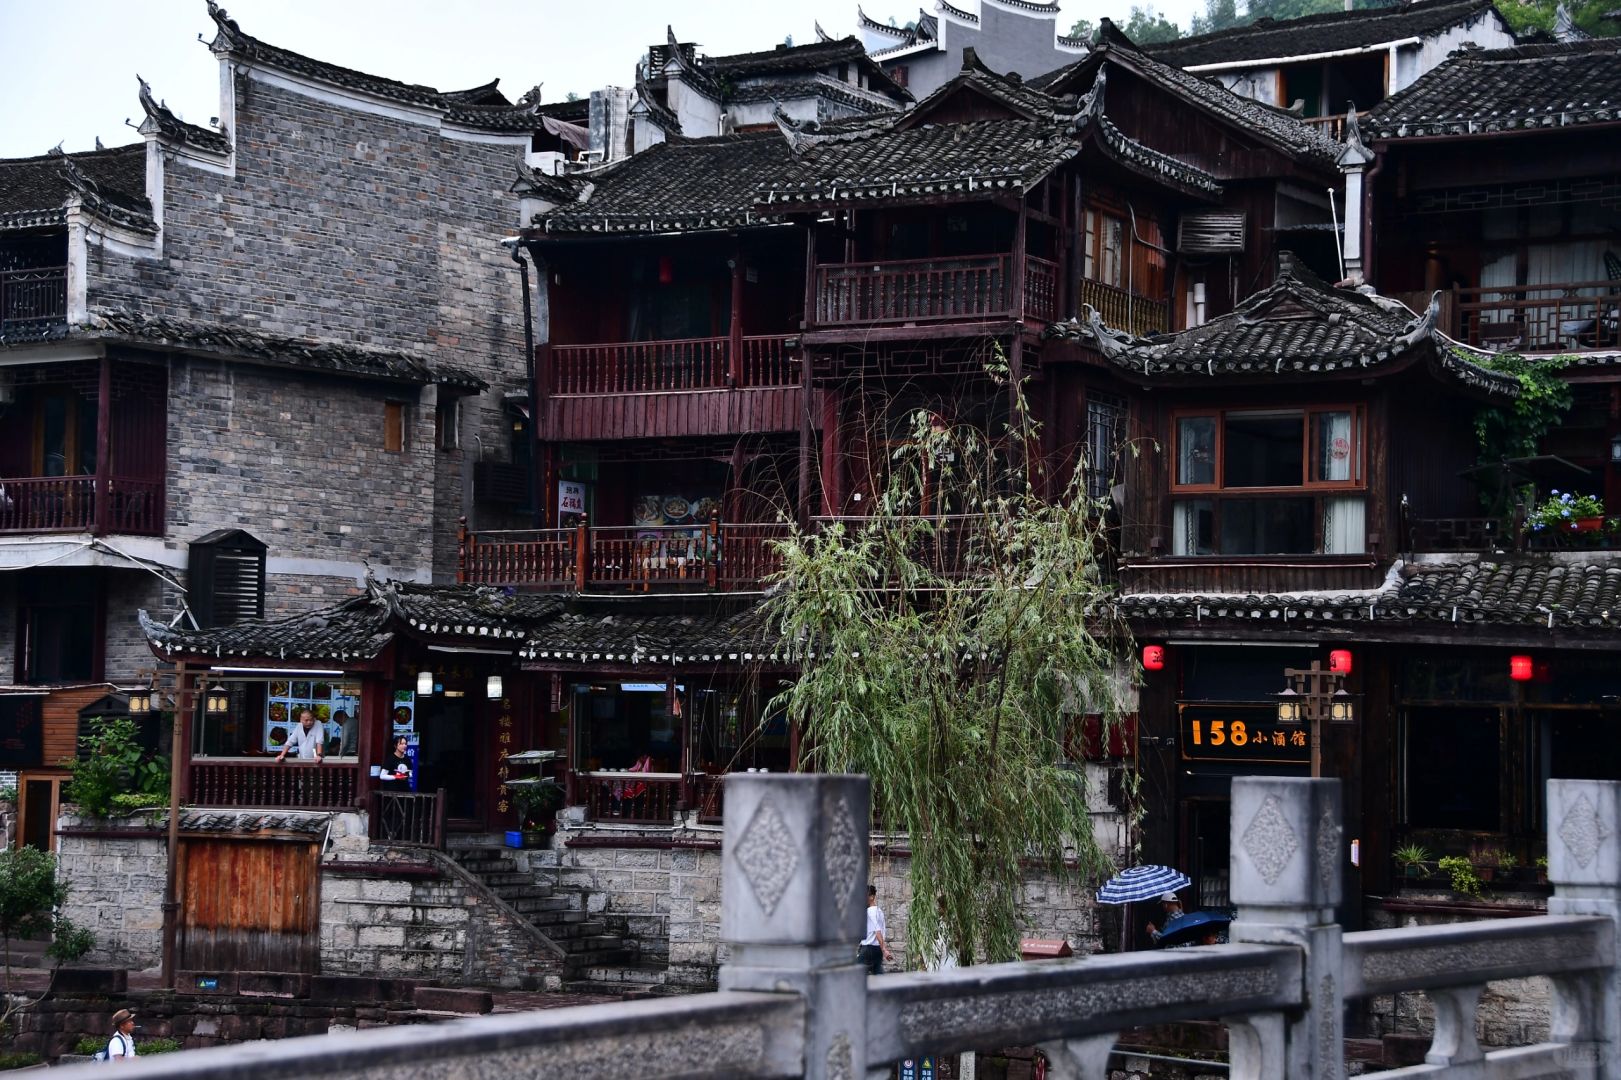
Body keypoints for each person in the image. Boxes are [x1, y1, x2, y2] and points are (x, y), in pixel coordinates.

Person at [859, 885, 892, 975]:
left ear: (871, 897)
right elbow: (882, 931)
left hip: (868, 949)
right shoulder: (879, 911)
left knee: (854, 976)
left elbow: (878, 931)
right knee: (878, 975)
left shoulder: (870, 911)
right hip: (877, 950)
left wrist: (884, 949)